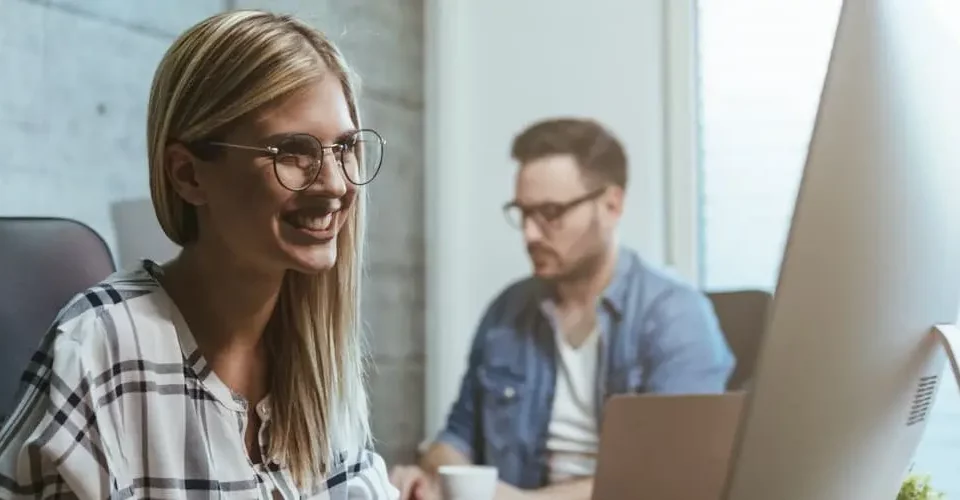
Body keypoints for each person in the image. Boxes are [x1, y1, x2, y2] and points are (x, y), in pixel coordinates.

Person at [0, 10, 397, 499]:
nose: (335, 183)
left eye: (344, 148)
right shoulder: (99, 352)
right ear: (188, 175)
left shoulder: (317, 352)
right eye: (293, 151)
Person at [390, 118, 735, 500]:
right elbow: (455, 439)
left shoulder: (676, 316)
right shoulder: (507, 312)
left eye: (551, 213)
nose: (530, 234)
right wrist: (430, 476)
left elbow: (675, 475)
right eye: (523, 213)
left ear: (611, 205)